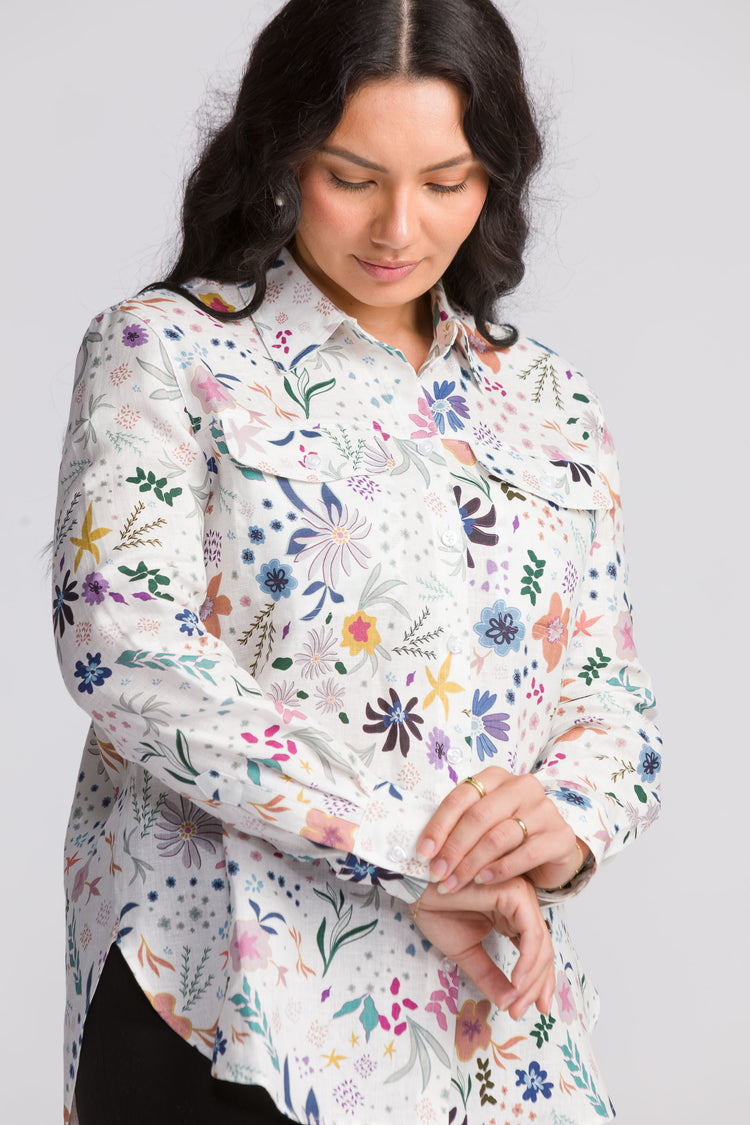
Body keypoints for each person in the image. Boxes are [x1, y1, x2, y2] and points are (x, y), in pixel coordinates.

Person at [52, 1, 662, 1122]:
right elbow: (125, 651)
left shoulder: (548, 399)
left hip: (486, 1015)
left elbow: (608, 690)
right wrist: (418, 858)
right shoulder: (168, 350)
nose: (399, 227)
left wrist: (567, 824)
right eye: (352, 176)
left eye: (447, 182)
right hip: (225, 991)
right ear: (281, 153)